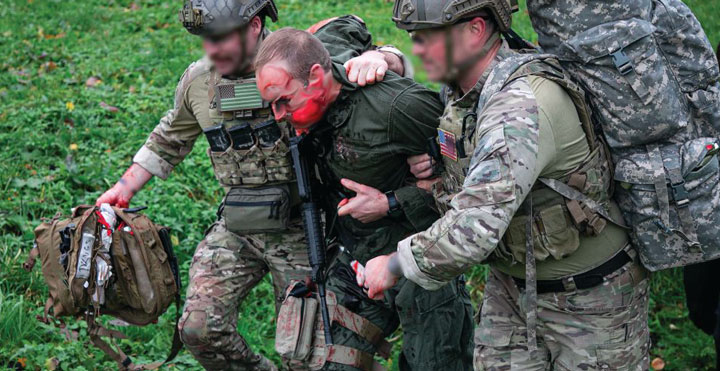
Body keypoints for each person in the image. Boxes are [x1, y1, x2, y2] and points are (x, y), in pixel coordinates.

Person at [94, 0, 409, 369]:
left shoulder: (298, 60)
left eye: (221, 38)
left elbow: (371, 73)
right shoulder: (200, 81)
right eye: (205, 40)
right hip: (238, 227)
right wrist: (125, 187)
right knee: (198, 329)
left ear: (255, 25)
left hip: (302, 228)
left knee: (305, 348)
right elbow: (170, 137)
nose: (211, 50)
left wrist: (385, 57)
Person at [362, 0, 651, 369]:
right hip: (512, 291)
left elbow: (472, 229)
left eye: (427, 38)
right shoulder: (467, 82)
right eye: (414, 39)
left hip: (591, 299)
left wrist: (393, 265)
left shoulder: (519, 106)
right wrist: (389, 57)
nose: (418, 50)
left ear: (476, 30)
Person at [254, 27, 474, 370]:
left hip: (419, 263)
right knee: (321, 360)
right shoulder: (315, 70)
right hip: (354, 261)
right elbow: (344, 24)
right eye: (271, 104)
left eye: (284, 101)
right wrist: (386, 54)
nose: (278, 115)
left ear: (316, 77)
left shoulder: (395, 107)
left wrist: (393, 201)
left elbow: (474, 188)